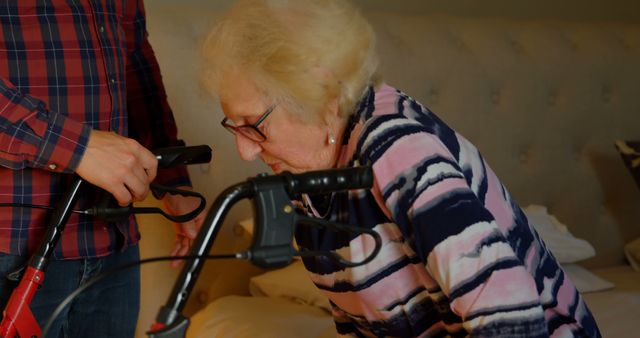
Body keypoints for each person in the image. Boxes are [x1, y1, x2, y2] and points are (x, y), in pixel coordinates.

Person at [201, 0, 602, 337]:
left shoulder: (400, 150)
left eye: (255, 126)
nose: (245, 152)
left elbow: (510, 317)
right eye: (233, 127)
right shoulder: (306, 177)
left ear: (322, 96)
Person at [0, 1, 204, 337]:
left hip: (113, 244)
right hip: (13, 242)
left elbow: (136, 63)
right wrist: (77, 147)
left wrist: (172, 178)